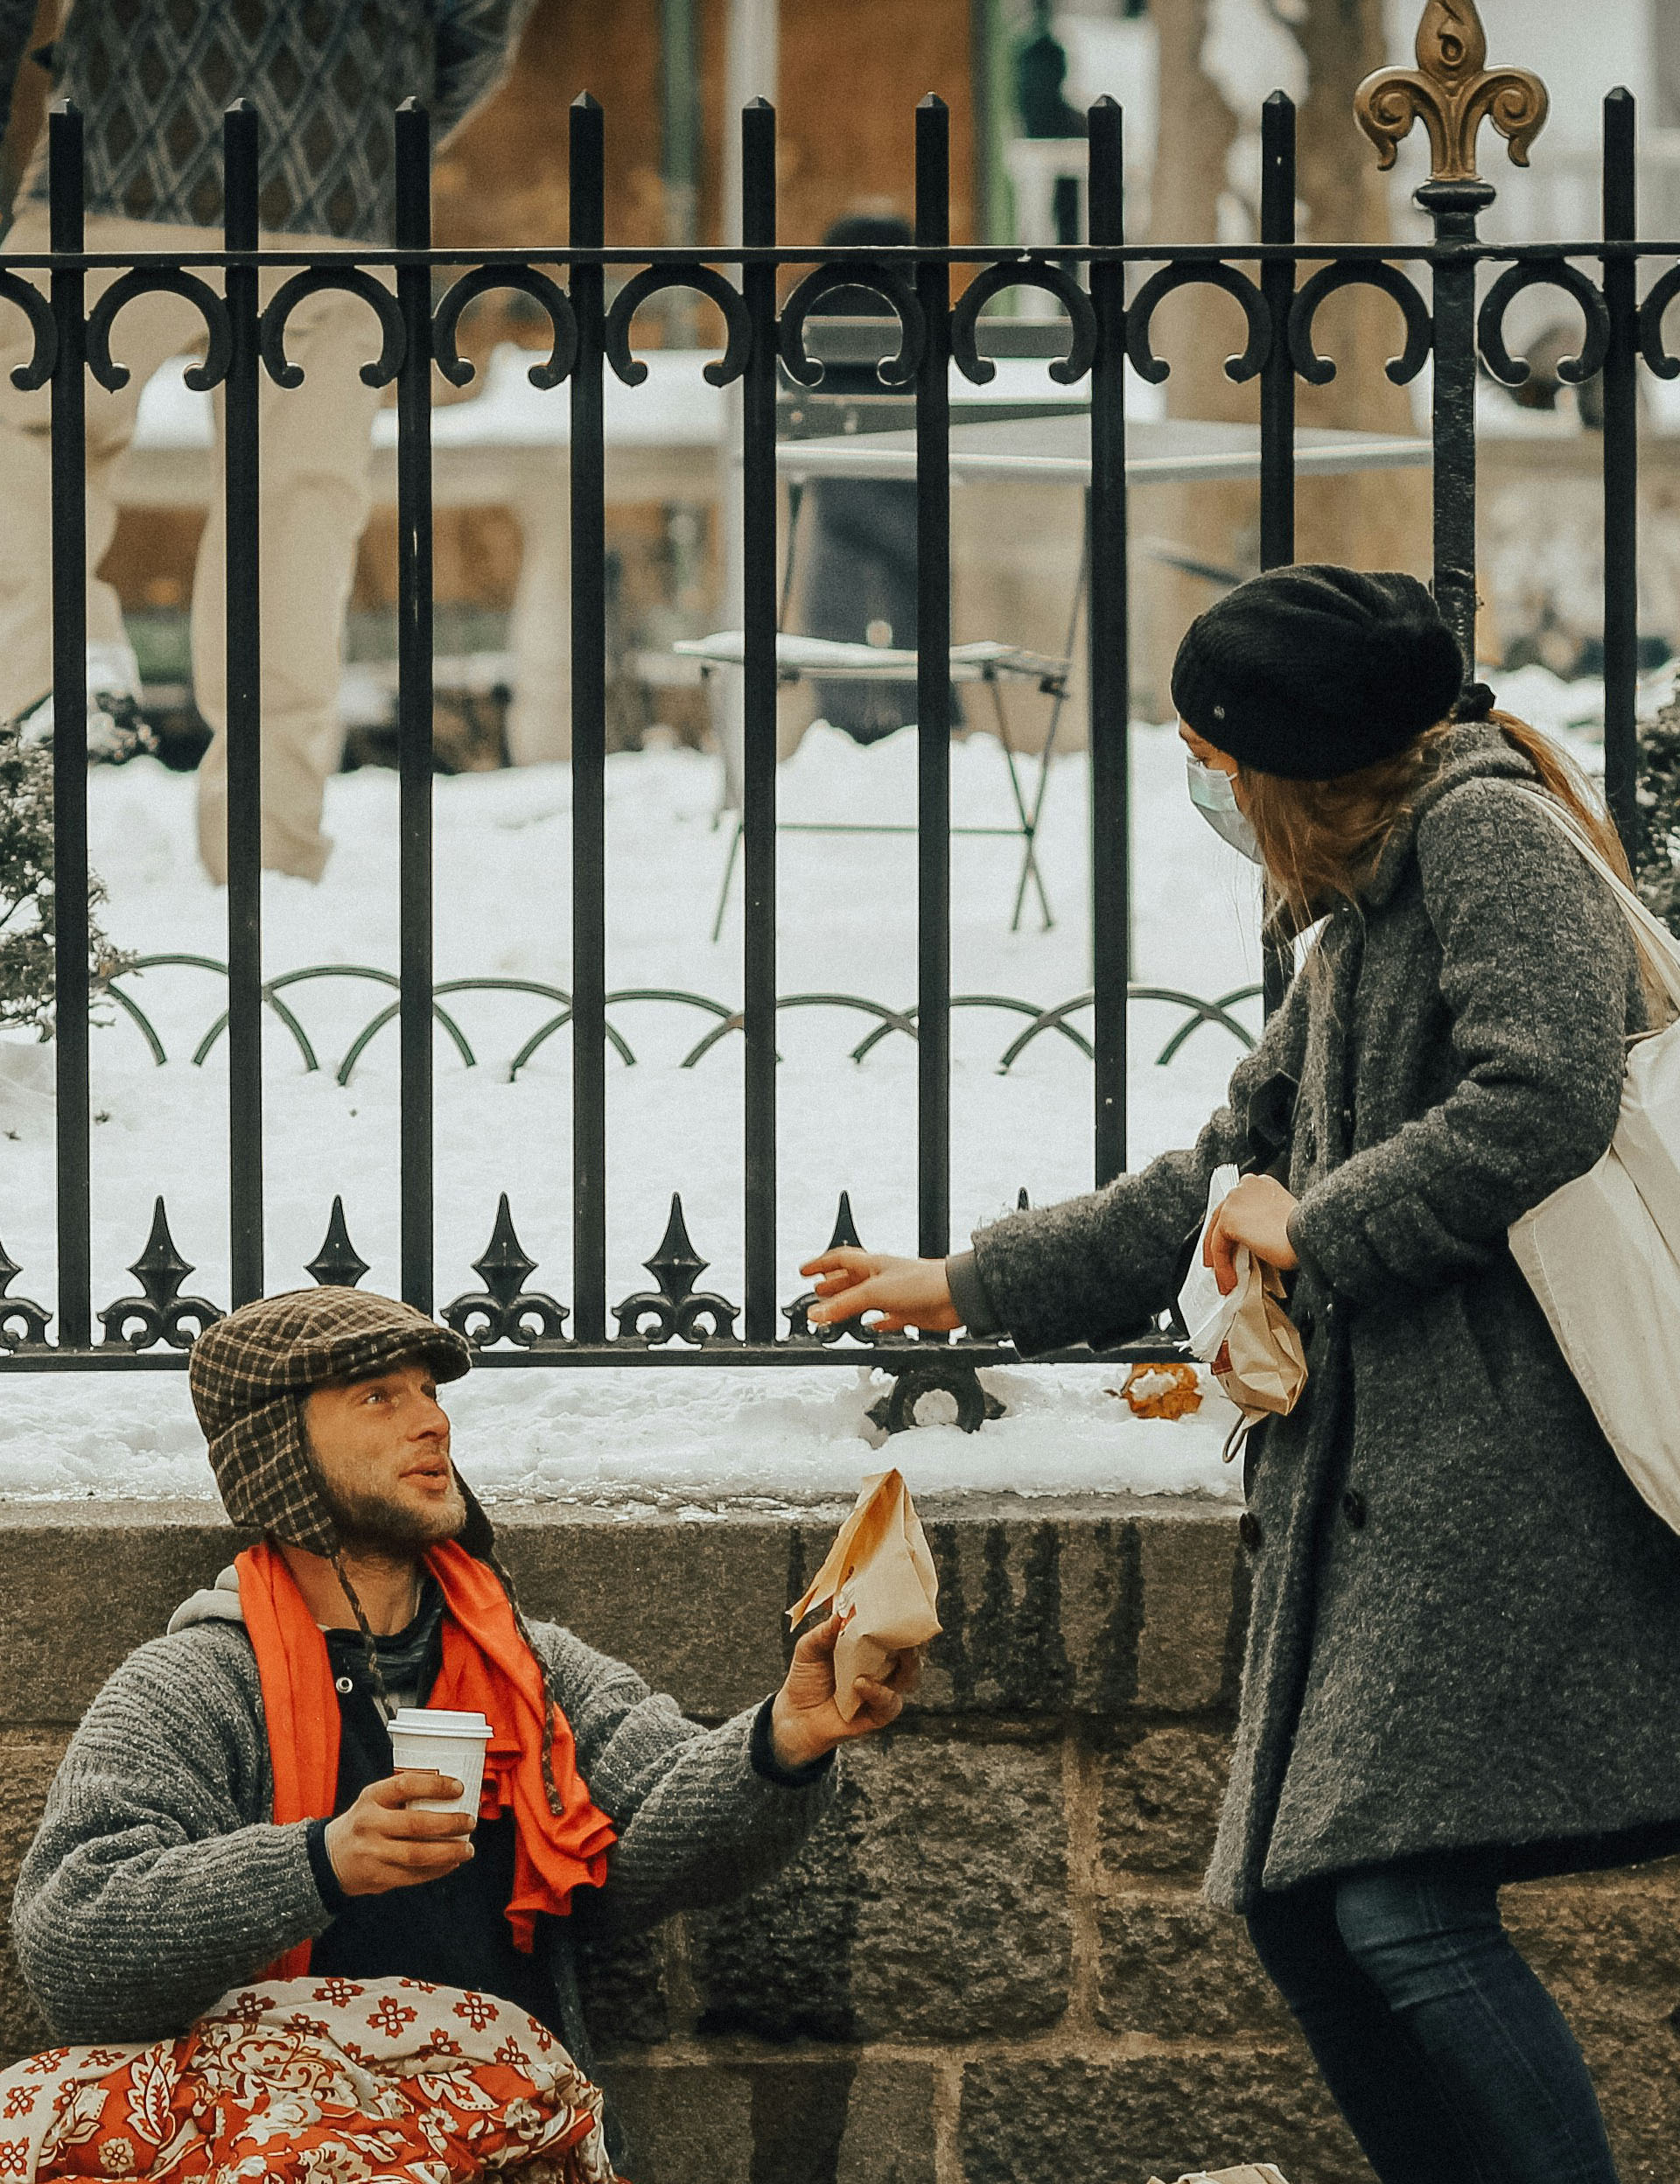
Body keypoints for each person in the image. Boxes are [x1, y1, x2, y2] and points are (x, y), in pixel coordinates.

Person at [800, 564, 1680, 2184]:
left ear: (1280, 762)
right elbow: (1224, 1166)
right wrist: (968, 1280)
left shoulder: (1484, 835)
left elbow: (1540, 1093)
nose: (1204, 785)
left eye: (1211, 755)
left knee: (1400, 1904)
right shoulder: (1364, 903)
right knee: (1304, 1903)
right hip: (1392, 1481)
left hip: (1501, 1474)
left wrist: (1316, 1227)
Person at [10, 1285, 913, 2165]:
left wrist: (785, 1741)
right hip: (288, 2142)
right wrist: (322, 1862)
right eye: (378, 1397)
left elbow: (657, 1834)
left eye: (431, 1393)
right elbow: (73, 1950)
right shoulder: (194, 1685)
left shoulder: (530, 1662)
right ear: (279, 1449)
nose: (432, 1422)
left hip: (516, 2138)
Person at [0, 1, 537, 880]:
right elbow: (482, 20)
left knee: (23, 415)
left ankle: (47, 656)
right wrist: (378, 117)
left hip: (131, 139)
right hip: (341, 173)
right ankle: (270, 858)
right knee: (295, 515)